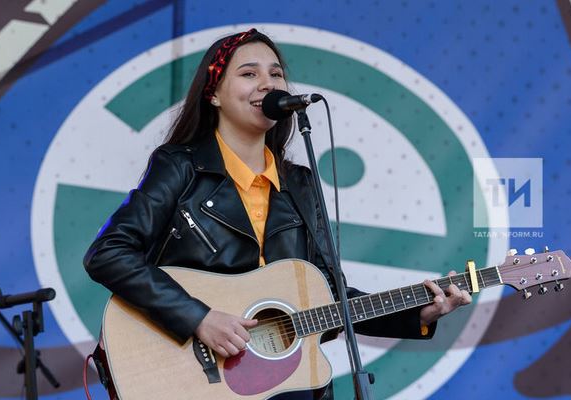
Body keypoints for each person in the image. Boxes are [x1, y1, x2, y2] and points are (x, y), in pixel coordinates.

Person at [84, 28, 472, 400]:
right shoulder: (179, 167)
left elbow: (331, 297)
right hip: (192, 377)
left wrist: (417, 314)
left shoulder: (299, 184)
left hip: (284, 385)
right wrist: (198, 318)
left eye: (276, 74)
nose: (267, 84)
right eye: (249, 74)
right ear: (213, 94)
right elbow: (108, 253)